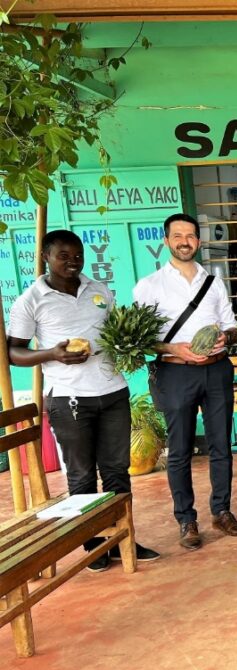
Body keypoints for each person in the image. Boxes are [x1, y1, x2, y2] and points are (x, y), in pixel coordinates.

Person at [8, 230, 160, 572]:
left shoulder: (99, 290)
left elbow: (115, 330)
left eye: (77, 255)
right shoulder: (31, 299)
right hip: (69, 398)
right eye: (63, 255)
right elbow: (13, 352)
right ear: (46, 256)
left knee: (117, 472)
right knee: (81, 476)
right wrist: (51, 354)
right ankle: (94, 543)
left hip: (113, 392)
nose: (72, 261)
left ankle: (123, 538)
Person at [134, 213, 237, 550]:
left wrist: (224, 339)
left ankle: (222, 510)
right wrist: (174, 348)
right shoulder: (149, 285)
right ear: (167, 241)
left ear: (198, 241)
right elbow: (142, 339)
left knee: (220, 446)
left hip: (216, 370)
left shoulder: (213, 281)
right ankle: (186, 519)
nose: (185, 241)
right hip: (174, 371)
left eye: (190, 236)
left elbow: (231, 325)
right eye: (178, 235)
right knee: (180, 449)